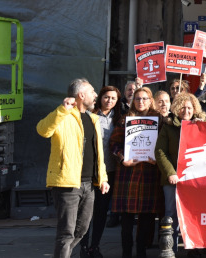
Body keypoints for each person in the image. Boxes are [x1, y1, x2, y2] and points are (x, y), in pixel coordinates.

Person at [37, 78, 109, 258]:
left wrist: (103, 178)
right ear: (81, 95)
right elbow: (42, 130)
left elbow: (98, 153)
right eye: (92, 91)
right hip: (67, 184)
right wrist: (62, 110)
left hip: (89, 185)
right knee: (66, 232)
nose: (95, 95)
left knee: (82, 229)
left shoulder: (93, 119)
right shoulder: (63, 115)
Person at [110, 86, 162, 258]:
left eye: (144, 98)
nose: (141, 102)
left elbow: (164, 145)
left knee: (146, 217)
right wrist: (122, 158)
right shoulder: (125, 119)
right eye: (137, 99)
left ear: (150, 101)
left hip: (149, 172)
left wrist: (157, 159)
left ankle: (141, 252)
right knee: (126, 218)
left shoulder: (159, 120)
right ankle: (126, 252)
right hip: (128, 174)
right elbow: (114, 143)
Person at [156, 92, 205, 253]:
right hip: (173, 179)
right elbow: (161, 151)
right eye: (183, 107)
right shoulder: (168, 127)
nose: (186, 111)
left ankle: (194, 249)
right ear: (177, 108)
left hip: (195, 180)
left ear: (195, 109)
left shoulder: (202, 125)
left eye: (189, 108)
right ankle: (171, 249)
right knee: (171, 213)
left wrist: (201, 128)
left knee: (194, 213)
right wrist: (170, 173)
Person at [81, 86, 122, 258]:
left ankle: (95, 246)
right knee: (86, 212)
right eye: (106, 97)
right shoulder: (90, 115)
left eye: (113, 98)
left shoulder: (119, 119)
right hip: (90, 171)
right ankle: (83, 247)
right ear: (100, 98)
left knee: (101, 210)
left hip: (109, 171)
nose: (109, 101)